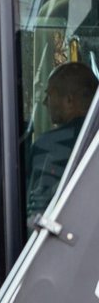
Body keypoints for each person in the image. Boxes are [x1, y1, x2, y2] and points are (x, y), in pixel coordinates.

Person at [27, 62, 99, 217]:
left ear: (69, 101)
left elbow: (36, 213)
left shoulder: (49, 145)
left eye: (50, 94)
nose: (46, 102)